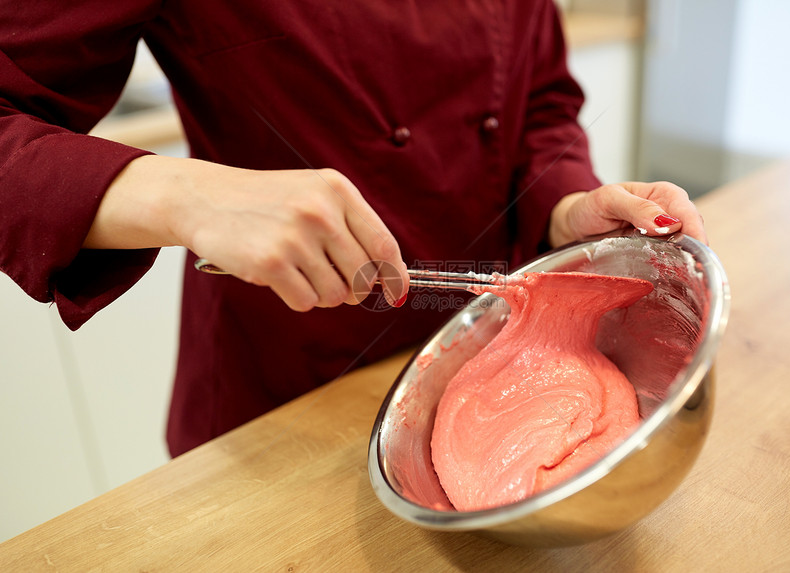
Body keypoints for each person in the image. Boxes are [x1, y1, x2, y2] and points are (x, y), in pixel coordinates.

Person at [0, 1, 706, 456]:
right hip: (287, 394)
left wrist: (565, 201)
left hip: (491, 354)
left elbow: (543, 95)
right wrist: (184, 193)